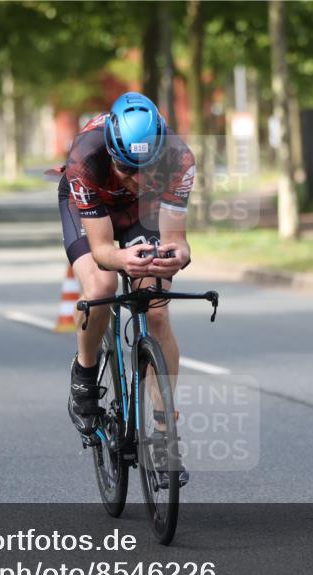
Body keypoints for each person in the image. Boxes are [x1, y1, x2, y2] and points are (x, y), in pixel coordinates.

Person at [60, 92, 195, 487]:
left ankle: (164, 432)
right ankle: (84, 378)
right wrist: (122, 259)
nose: (135, 178)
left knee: (155, 307)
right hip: (89, 210)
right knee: (101, 286)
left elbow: (177, 240)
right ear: (112, 154)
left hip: (142, 213)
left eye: (145, 168)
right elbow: (103, 251)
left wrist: (177, 256)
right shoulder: (85, 158)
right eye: (125, 168)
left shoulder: (178, 159)